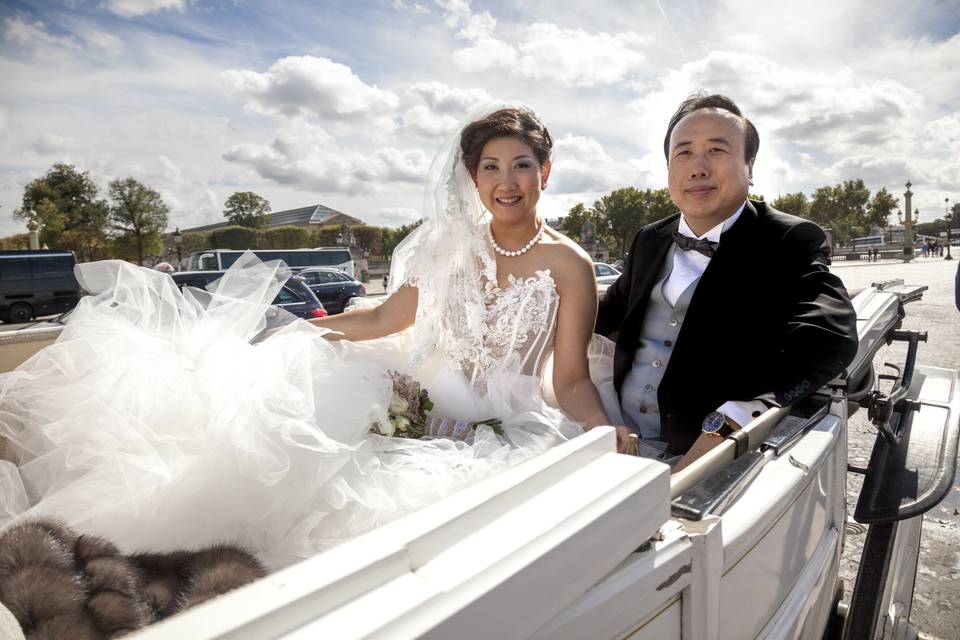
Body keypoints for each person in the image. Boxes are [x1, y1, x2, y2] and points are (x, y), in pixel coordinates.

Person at [0, 104, 625, 568]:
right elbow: (384, 321)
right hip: (414, 399)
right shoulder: (445, 246)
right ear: (472, 177)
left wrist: (601, 433)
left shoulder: (567, 264)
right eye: (491, 167)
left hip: (501, 426)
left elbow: (567, 376)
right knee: (280, 455)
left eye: (521, 165)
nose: (507, 181)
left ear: (546, 170)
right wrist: (304, 332)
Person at [596, 93, 859, 468]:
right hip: (620, 441)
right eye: (683, 153)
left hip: (712, 457)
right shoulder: (649, 239)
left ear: (750, 168)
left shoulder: (789, 238)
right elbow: (602, 319)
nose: (698, 167)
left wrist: (736, 416)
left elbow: (830, 337)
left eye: (716, 151)